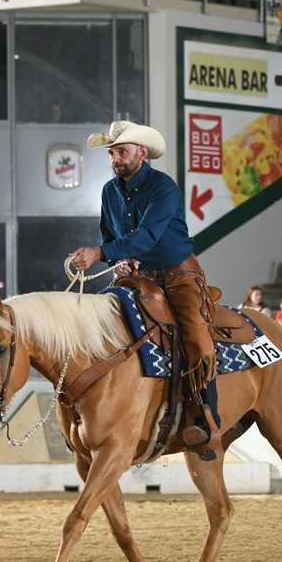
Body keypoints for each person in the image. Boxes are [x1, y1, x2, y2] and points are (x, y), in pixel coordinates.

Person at [69, 120, 218, 447]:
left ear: (141, 153)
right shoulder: (109, 191)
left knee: (195, 334)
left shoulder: (163, 187)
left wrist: (100, 253)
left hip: (179, 274)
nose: (115, 159)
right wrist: (117, 257)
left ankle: (206, 416)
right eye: (111, 153)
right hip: (139, 275)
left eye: (121, 152)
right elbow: (110, 234)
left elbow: (148, 235)